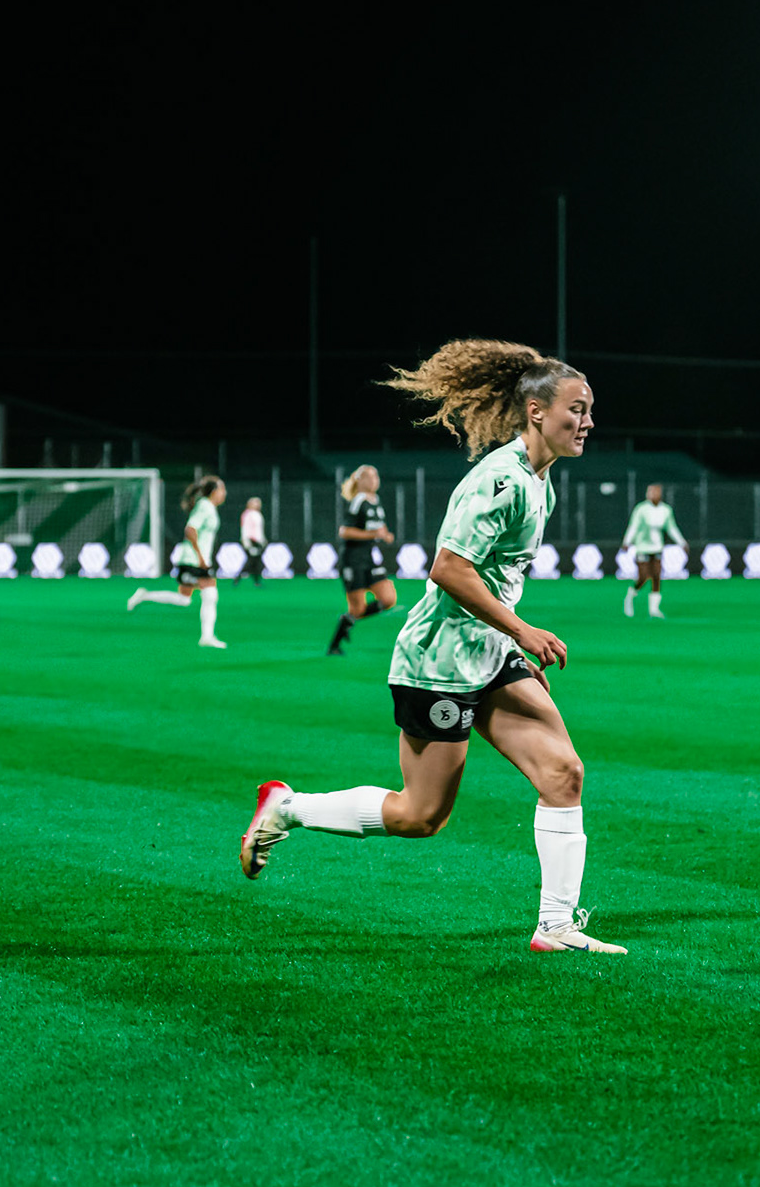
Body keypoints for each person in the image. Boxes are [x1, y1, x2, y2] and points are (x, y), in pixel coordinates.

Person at [239, 339, 624, 954]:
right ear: (535, 412)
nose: (587, 421)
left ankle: (555, 926)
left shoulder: (541, 481)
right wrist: (522, 632)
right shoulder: (500, 480)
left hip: (488, 649)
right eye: (576, 409)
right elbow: (449, 569)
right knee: (421, 816)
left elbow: (494, 580)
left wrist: (513, 651)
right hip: (438, 660)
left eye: (590, 409)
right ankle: (286, 808)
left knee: (563, 772)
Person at [126, 475, 228, 648]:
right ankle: (207, 637)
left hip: (195, 560)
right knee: (210, 595)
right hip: (192, 561)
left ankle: (144, 595)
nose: (224, 493)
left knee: (184, 600)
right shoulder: (204, 506)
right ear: (214, 492)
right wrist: (201, 557)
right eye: (222, 489)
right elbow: (190, 530)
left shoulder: (208, 506)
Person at [326, 465, 398, 655]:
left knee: (388, 598)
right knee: (357, 608)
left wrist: (384, 535)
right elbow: (345, 531)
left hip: (370, 558)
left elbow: (376, 528)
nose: (376, 480)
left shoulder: (376, 500)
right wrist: (374, 533)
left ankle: (348, 620)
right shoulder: (358, 501)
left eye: (376, 476)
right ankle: (335, 643)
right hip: (353, 559)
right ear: (361, 480)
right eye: (371, 476)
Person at [621, 482, 686, 618]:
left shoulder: (666, 510)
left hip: (657, 547)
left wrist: (682, 542)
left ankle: (654, 609)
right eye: (650, 492)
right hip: (642, 547)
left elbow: (671, 527)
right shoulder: (641, 509)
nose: (653, 494)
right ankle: (630, 596)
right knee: (643, 576)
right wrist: (627, 541)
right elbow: (634, 526)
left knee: (656, 576)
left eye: (655, 492)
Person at [233, 496, 266, 587]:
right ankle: (239, 578)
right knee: (252, 561)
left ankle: (256, 581)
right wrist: (247, 542)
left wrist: (262, 540)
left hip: (258, 542)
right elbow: (245, 530)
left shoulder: (258, 514)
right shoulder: (248, 514)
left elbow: (259, 530)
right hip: (251, 541)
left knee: (255, 562)